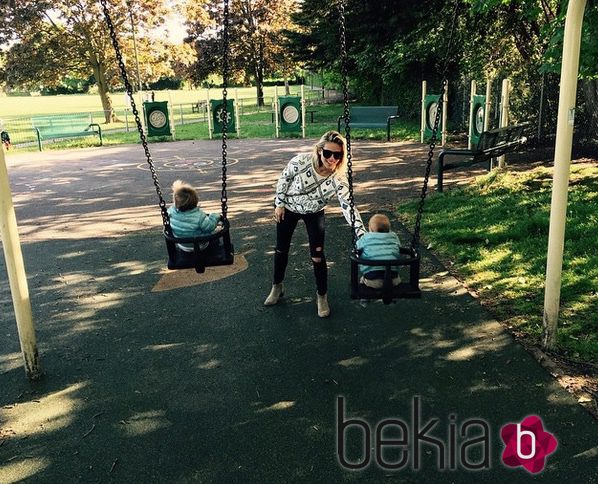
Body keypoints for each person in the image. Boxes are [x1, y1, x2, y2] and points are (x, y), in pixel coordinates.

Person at [263, 130, 365, 317]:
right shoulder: (300, 161)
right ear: (319, 150)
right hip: (289, 208)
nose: (332, 158)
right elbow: (284, 179)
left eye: (338, 155)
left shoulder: (338, 179)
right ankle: (277, 286)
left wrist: (362, 234)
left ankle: (322, 296)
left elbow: (348, 206)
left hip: (314, 213)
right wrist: (279, 204)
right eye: (328, 153)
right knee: (281, 249)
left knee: (317, 256)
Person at [167, 180, 221, 252]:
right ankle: (211, 255)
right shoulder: (199, 216)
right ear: (196, 201)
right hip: (199, 245)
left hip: (182, 244)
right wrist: (214, 217)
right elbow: (210, 227)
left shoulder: (170, 212)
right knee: (215, 239)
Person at [356, 213, 401, 289]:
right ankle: (390, 297)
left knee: (363, 280)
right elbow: (398, 247)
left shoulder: (365, 238)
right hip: (393, 279)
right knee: (396, 278)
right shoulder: (394, 236)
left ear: (370, 229)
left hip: (372, 280)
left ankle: (365, 299)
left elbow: (358, 247)